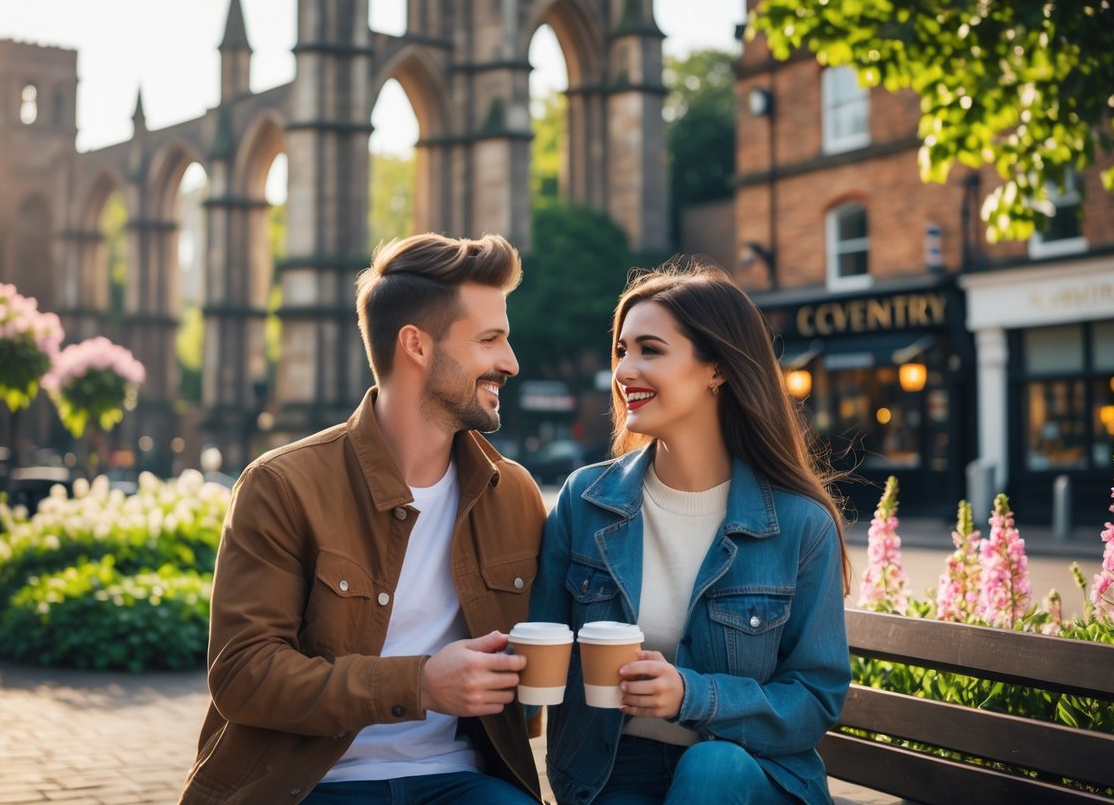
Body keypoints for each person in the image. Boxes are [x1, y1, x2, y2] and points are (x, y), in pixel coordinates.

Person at [179, 233, 547, 805]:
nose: (511, 361)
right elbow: (243, 674)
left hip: (461, 781)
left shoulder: (514, 493)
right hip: (309, 785)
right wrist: (419, 684)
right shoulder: (282, 486)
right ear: (416, 346)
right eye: (490, 340)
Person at [531, 262, 852, 805]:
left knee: (712, 767)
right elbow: (542, 647)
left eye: (650, 350)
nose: (626, 369)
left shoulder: (800, 525)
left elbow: (814, 698)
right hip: (610, 773)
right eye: (622, 350)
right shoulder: (584, 503)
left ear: (717, 369)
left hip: (757, 774)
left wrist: (691, 694)